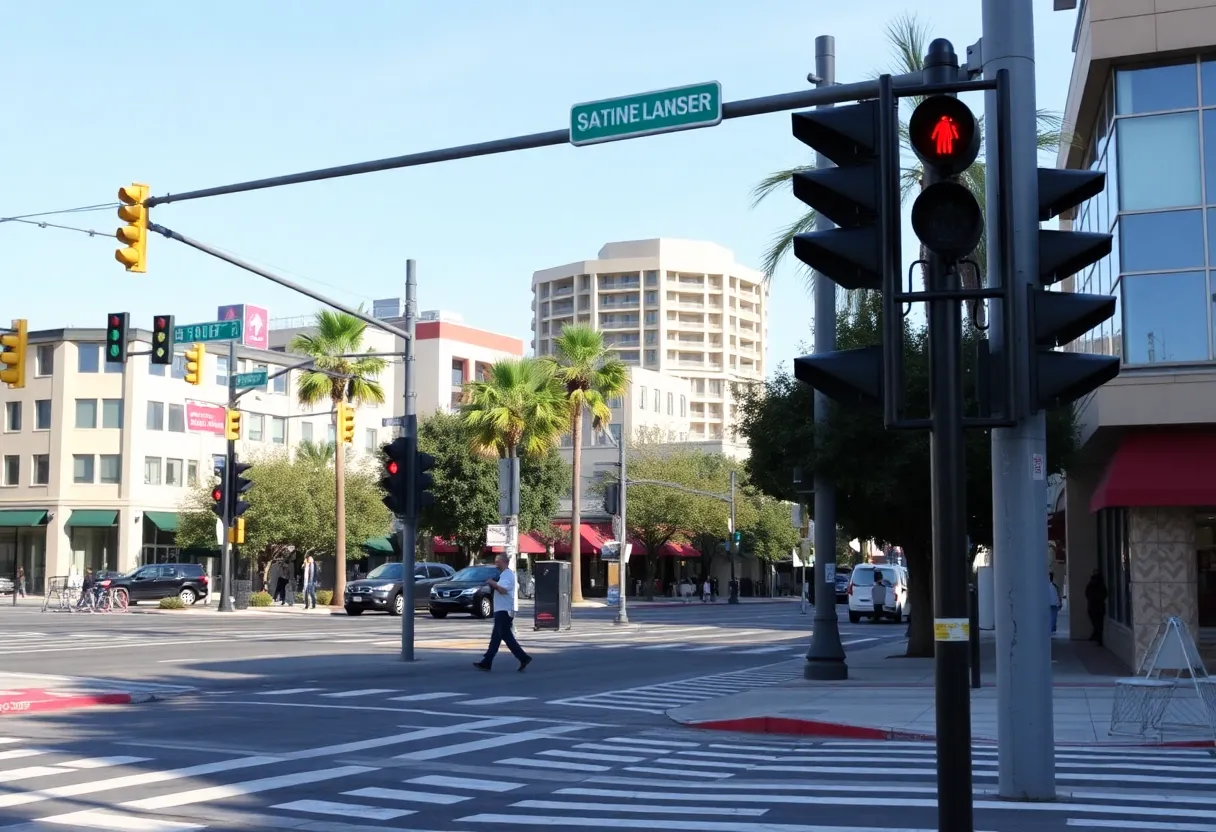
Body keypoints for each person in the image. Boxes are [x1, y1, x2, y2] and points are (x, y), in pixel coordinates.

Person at [473, 554, 532, 672]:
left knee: (506, 637)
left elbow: (503, 590)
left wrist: (492, 583)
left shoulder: (507, 575)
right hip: (501, 610)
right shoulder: (504, 575)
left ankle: (523, 657)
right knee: (496, 638)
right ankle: (487, 662)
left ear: (504, 562)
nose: (496, 563)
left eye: (497, 561)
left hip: (504, 611)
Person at [1085, 569, 1107, 647]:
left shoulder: (1091, 584)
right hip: (1099, 606)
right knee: (1099, 623)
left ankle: (1096, 634)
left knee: (1096, 623)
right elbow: (1105, 594)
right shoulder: (1101, 584)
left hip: (1093, 606)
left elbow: (1087, 594)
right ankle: (1098, 636)